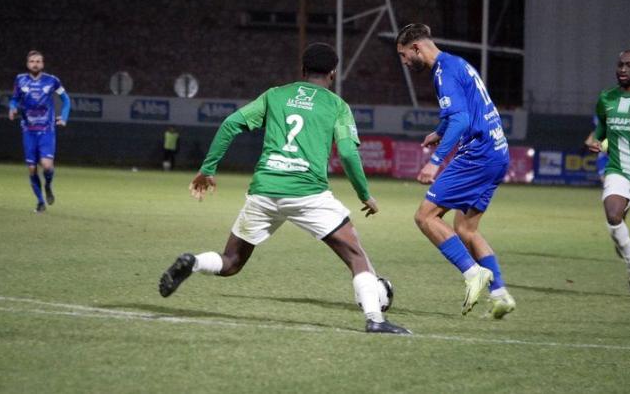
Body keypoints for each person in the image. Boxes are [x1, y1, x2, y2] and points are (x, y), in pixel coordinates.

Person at [159, 43, 411, 334]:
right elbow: (348, 153)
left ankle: (193, 262)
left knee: (231, 261)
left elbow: (230, 124)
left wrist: (208, 169)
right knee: (356, 255)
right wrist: (364, 194)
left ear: (303, 70)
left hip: (264, 191)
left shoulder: (275, 95)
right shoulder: (336, 106)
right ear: (333, 74)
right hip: (308, 193)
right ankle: (375, 320)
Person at [396, 23, 515, 318]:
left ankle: (472, 273)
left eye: (403, 55)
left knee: (425, 216)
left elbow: (461, 119)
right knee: (465, 229)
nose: (404, 62)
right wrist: (439, 131)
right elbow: (462, 111)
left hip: (477, 153)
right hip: (498, 152)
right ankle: (500, 294)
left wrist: (435, 161)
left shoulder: (442, 72)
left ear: (416, 48)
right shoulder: (456, 63)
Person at [586, 50, 630, 295]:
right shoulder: (607, 98)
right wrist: (593, 139)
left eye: (629, 65)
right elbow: (601, 128)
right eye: (620, 65)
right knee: (612, 214)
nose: (623, 69)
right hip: (619, 169)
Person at [9, 50, 71, 213]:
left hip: (46, 130)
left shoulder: (52, 81)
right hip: (28, 130)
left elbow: (66, 100)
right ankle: (40, 201)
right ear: (27, 64)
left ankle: (48, 185)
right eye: (32, 61)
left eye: (38, 61)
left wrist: (63, 117)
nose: (35, 64)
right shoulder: (20, 79)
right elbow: (15, 98)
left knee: (47, 165)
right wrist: (12, 108)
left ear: (42, 64)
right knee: (31, 168)